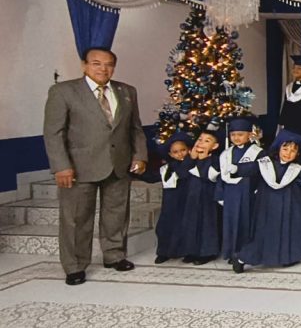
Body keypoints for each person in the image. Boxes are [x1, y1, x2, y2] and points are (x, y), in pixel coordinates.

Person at [43, 47, 148, 285]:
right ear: (84, 65)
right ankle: (75, 266)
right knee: (76, 218)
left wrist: (139, 156)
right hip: (78, 167)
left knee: (117, 214)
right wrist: (61, 166)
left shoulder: (127, 91)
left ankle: (114, 255)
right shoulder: (63, 91)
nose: (103, 69)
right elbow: (53, 133)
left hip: (119, 165)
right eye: (96, 63)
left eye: (109, 64)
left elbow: (135, 128)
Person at [232, 129, 301, 272]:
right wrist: (236, 169)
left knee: (288, 229)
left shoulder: (296, 169)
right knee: (264, 232)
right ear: (278, 148)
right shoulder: (265, 164)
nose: (288, 153)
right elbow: (250, 168)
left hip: (290, 203)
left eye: (293, 150)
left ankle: (286, 257)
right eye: (285, 149)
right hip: (267, 204)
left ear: (297, 154)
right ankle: (242, 258)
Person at [218, 116, 263, 266]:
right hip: (230, 193)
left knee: (246, 223)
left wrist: (240, 169)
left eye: (240, 134)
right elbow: (221, 176)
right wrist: (220, 194)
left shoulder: (257, 152)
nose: (236, 138)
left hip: (248, 192)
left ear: (249, 135)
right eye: (233, 135)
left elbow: (258, 170)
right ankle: (231, 252)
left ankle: (243, 253)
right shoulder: (226, 153)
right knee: (230, 223)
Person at [176, 126, 222, 266]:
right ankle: (191, 250)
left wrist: (202, 160)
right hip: (191, 196)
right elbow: (182, 174)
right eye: (200, 139)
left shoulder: (215, 160)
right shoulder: (191, 158)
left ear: (215, 146)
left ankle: (207, 252)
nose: (201, 143)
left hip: (207, 197)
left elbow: (208, 176)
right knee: (190, 222)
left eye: (207, 141)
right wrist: (191, 158)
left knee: (207, 224)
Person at [154, 132, 192, 264]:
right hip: (170, 202)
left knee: (186, 226)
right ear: (170, 154)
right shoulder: (167, 167)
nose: (180, 154)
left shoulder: (191, 164)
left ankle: (188, 251)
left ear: (189, 150)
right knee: (165, 226)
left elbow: (184, 174)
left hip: (187, 200)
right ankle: (164, 252)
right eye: (175, 152)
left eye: (183, 150)